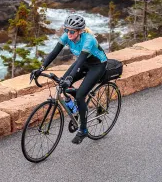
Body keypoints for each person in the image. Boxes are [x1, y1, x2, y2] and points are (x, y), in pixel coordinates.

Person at [31, 14, 107, 144]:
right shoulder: (67, 36)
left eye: (72, 31)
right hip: (83, 63)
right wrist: (41, 68)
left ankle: (83, 130)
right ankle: (78, 110)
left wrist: (70, 77)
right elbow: (54, 52)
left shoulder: (88, 40)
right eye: (66, 30)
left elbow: (80, 60)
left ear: (80, 31)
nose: (68, 33)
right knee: (63, 85)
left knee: (79, 96)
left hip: (97, 65)